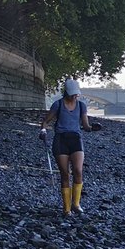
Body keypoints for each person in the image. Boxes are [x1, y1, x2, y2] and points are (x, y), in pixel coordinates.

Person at [39, 79, 92, 215]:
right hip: (60, 140)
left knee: (78, 171)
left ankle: (76, 204)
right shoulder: (58, 105)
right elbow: (45, 121)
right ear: (66, 93)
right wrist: (43, 131)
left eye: (76, 94)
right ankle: (67, 208)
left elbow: (85, 126)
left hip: (76, 139)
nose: (75, 96)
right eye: (72, 94)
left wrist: (92, 128)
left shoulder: (81, 106)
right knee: (65, 174)